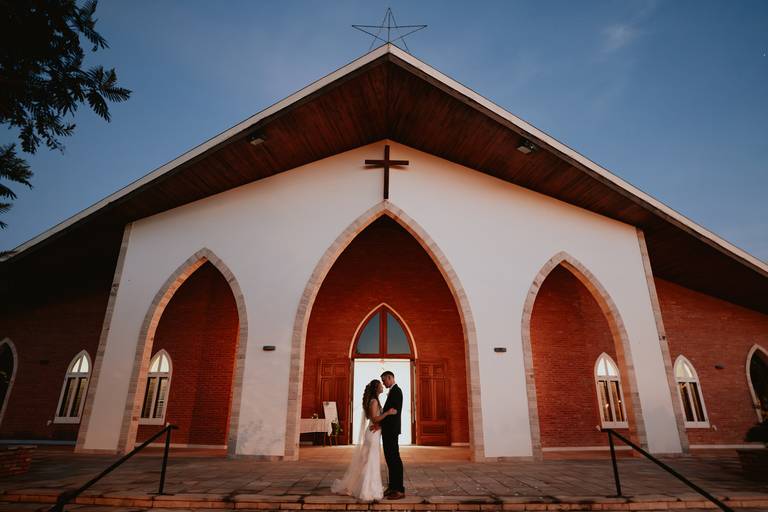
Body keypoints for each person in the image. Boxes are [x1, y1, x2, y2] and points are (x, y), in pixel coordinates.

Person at [331, 379, 397, 502]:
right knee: (370, 461)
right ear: (376, 388)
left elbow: (375, 420)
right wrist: (388, 413)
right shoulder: (374, 401)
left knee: (368, 461)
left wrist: (380, 425)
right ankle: (367, 489)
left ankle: (362, 486)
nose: (382, 386)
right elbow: (374, 418)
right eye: (380, 385)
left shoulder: (374, 400)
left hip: (374, 432)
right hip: (372, 434)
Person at [378, 370, 405, 499]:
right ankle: (392, 486)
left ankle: (399, 490)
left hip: (392, 430)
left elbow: (394, 412)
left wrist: (381, 421)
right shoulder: (393, 391)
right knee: (389, 459)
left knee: (394, 459)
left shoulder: (396, 391)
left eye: (384, 380)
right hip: (388, 430)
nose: (383, 383)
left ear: (390, 378)